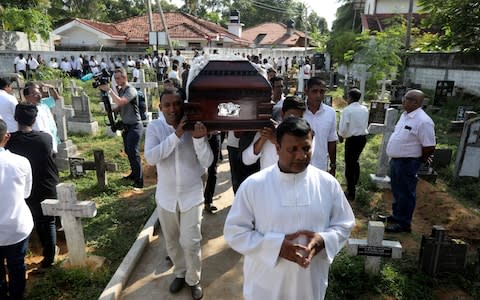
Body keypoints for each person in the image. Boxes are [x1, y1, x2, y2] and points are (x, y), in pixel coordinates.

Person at [224, 117, 355, 300]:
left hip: (309, 285)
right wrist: (276, 247)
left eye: (306, 148)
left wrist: (323, 240)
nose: (301, 156)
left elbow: (345, 224)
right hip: (265, 285)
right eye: (292, 149)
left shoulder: (327, 183)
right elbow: (234, 232)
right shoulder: (254, 185)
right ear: (277, 148)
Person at [144, 88, 213, 300]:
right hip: (166, 197)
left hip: (191, 195)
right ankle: (180, 273)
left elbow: (208, 162)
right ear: (160, 107)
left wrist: (200, 140)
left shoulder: (195, 126)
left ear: (182, 105)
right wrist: (176, 136)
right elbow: (151, 157)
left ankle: (194, 279)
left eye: (176, 104)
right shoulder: (155, 128)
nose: (172, 109)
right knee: (172, 241)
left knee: (190, 241)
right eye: (167, 105)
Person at [6, 103, 60, 269]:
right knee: (48, 221)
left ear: (15, 118)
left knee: (36, 219)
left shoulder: (11, 141)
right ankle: (49, 256)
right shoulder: (46, 138)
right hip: (48, 185)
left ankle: (39, 250)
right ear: (35, 119)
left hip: (25, 188)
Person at [382, 89, 436, 233]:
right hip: (396, 160)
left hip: (408, 162)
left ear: (416, 102)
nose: (403, 101)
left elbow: (429, 145)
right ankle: (396, 215)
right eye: (404, 98)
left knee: (406, 192)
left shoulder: (423, 121)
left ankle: (404, 223)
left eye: (407, 98)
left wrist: (420, 160)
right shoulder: (405, 116)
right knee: (397, 190)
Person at [0, 118, 33, 300]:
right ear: (7, 137)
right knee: (17, 265)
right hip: (16, 227)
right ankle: (17, 296)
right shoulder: (21, 162)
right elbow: (26, 193)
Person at [99, 68, 144, 188]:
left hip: (135, 126)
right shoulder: (121, 90)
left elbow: (121, 102)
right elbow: (121, 107)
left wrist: (108, 90)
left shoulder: (131, 90)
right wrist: (111, 110)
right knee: (128, 152)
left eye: (119, 78)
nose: (117, 80)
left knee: (134, 153)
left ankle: (139, 181)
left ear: (125, 77)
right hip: (127, 126)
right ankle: (134, 174)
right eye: (116, 78)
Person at [242, 96, 306, 170]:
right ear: (282, 114)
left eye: (299, 118)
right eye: (291, 117)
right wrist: (263, 139)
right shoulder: (269, 132)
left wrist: (275, 140)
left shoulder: (306, 136)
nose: (294, 122)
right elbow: (246, 160)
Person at [338, 88, 369, 201]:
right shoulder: (365, 109)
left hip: (352, 140)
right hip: (362, 139)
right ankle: (355, 183)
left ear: (350, 97)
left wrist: (341, 136)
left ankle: (351, 192)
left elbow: (344, 126)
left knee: (349, 165)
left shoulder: (347, 110)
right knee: (355, 161)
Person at [303, 77, 338, 175]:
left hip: (320, 166)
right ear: (307, 91)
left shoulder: (330, 113)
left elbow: (331, 140)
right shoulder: (299, 112)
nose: (318, 95)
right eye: (314, 91)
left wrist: (333, 165)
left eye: (322, 92)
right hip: (299, 165)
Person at [23, 82, 60, 154]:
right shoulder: (26, 110)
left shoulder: (43, 103)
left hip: (52, 137)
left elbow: (56, 98)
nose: (39, 94)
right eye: (35, 92)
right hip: (40, 142)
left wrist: (51, 88)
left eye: (39, 91)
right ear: (27, 96)